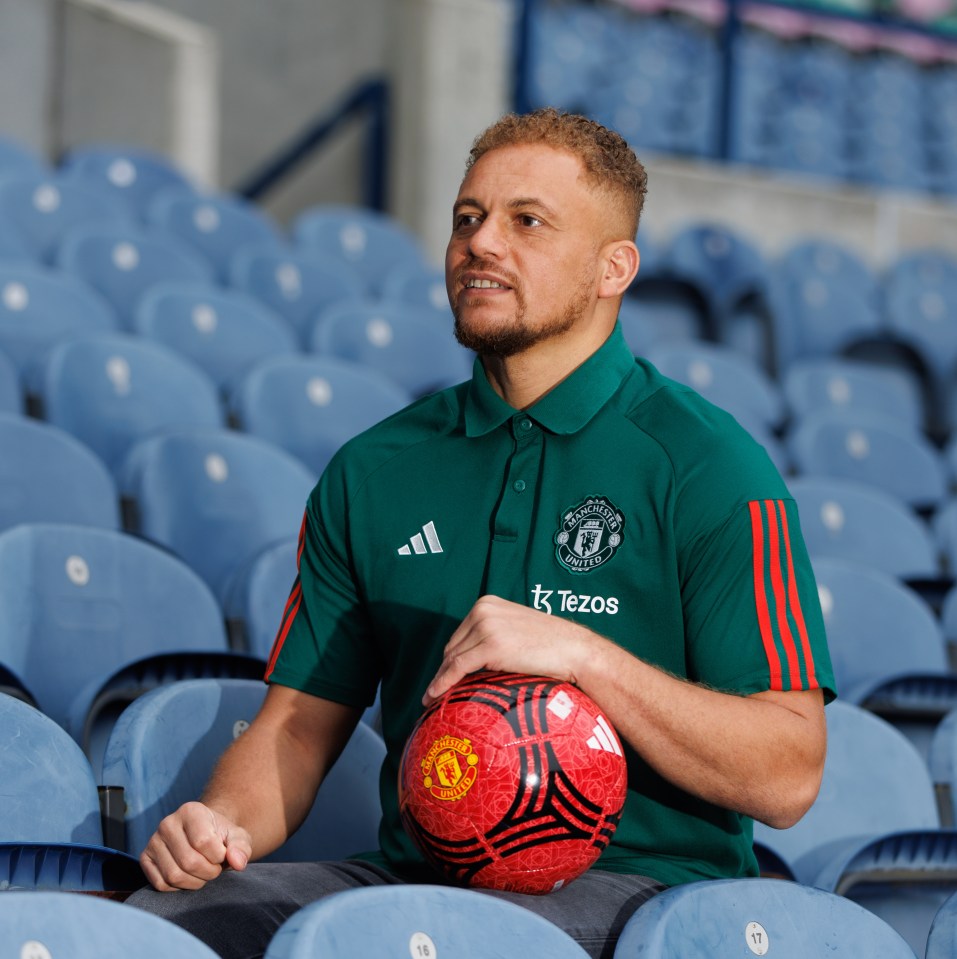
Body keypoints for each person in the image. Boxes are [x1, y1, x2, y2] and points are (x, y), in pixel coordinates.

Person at [127, 108, 835, 958]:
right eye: (468, 218)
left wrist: (585, 657)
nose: (480, 243)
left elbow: (787, 772)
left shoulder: (710, 465)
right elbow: (295, 726)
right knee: (169, 923)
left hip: (644, 895)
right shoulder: (375, 468)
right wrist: (219, 824)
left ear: (614, 268)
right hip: (415, 879)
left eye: (525, 221)